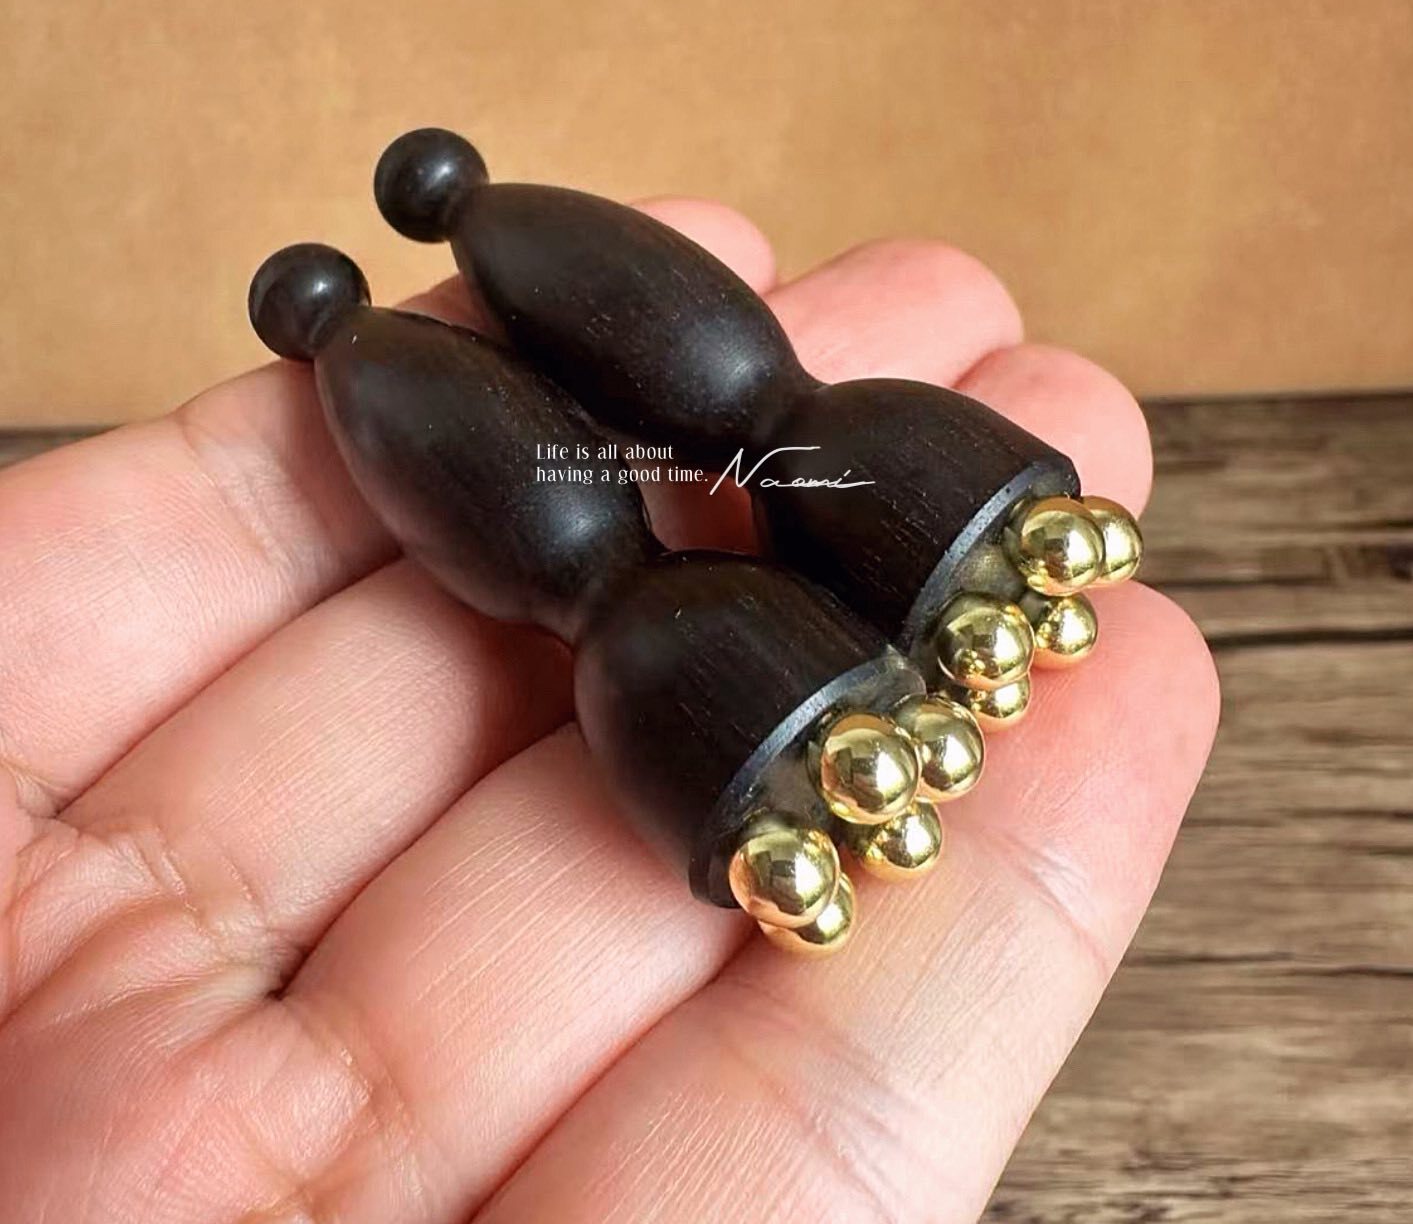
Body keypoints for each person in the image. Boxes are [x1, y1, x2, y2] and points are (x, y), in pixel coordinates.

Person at [0, 198, 1218, 1222]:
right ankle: (415, 250)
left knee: (759, 429)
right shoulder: (644, 618)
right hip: (673, 631)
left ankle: (408, 259)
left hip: (706, 603)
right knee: (719, 463)